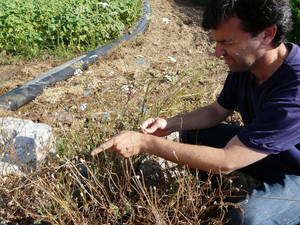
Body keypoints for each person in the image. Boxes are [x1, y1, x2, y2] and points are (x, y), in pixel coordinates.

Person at [92, 0, 300, 224]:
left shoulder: (295, 90)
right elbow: (217, 110)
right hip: (275, 153)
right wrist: (169, 124)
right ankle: (215, 199)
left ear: (267, 34)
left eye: (225, 42)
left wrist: (145, 144)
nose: (217, 53)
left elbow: (226, 161)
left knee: (247, 218)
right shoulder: (248, 63)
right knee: (192, 135)